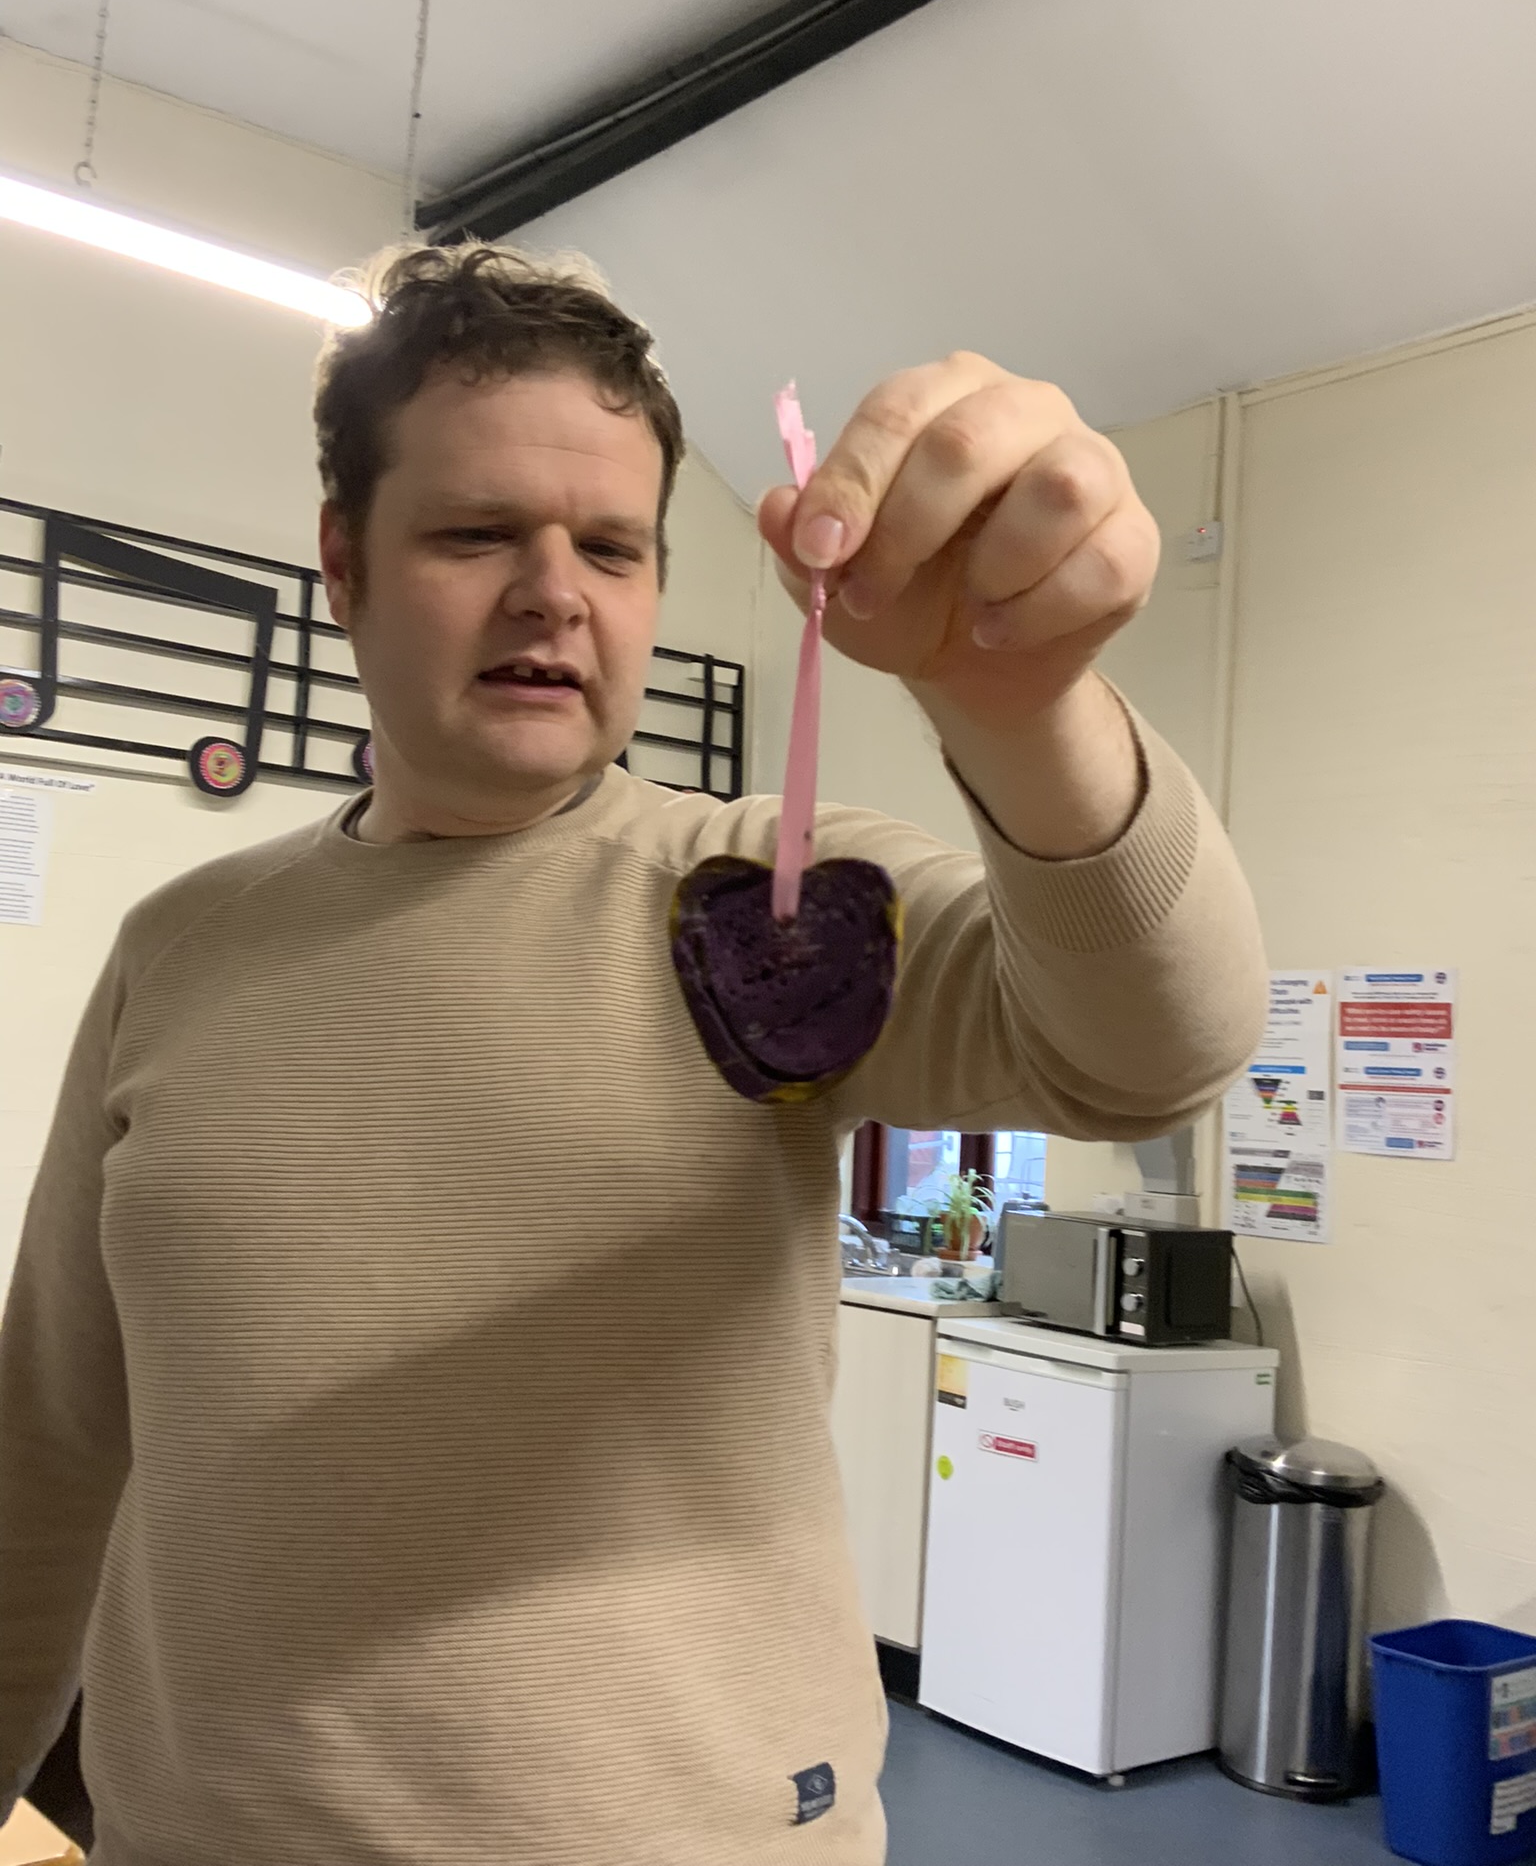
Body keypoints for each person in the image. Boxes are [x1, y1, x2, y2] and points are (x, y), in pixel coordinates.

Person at [0, 244, 1267, 1866]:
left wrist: (1024, 707)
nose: (555, 592)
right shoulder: (177, 950)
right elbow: (50, 1442)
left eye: (612, 546)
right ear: (344, 561)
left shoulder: (771, 902)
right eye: (476, 534)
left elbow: (1155, 1049)